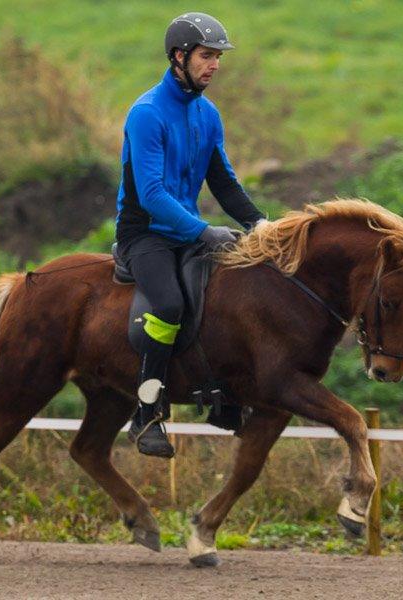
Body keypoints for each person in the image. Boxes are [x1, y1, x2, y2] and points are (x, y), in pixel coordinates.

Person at [115, 12, 266, 458]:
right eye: (206, 56)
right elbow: (152, 194)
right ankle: (146, 415)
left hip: (187, 231)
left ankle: (225, 401)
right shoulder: (146, 114)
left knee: (236, 292)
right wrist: (205, 231)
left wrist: (260, 225)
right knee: (169, 304)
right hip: (145, 234)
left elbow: (222, 182)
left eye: (217, 57)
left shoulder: (208, 113)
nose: (214, 65)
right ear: (179, 57)